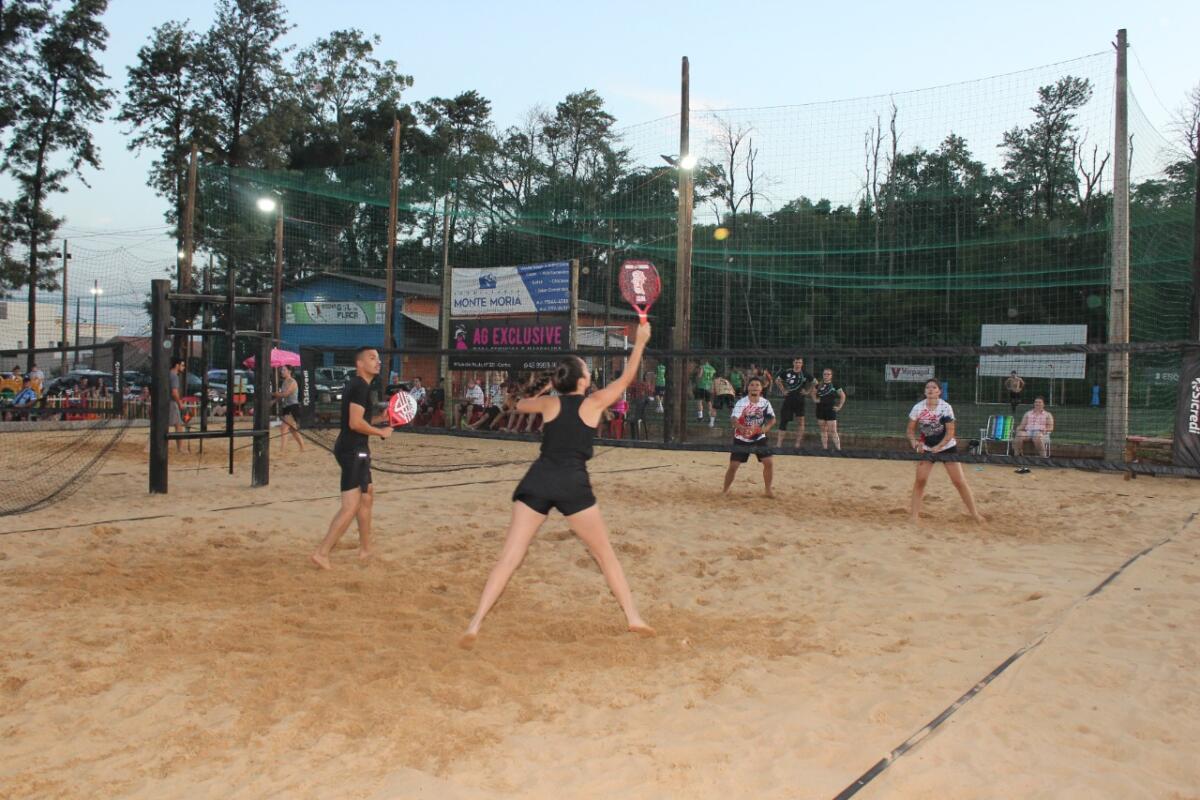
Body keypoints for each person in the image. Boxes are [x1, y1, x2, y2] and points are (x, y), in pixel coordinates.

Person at [460, 322, 655, 649]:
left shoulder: (549, 404)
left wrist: (544, 388)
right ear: (582, 381)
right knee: (605, 555)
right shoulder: (593, 402)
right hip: (572, 483)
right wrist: (641, 342)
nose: (588, 373)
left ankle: (475, 622)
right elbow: (626, 378)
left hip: (538, 478)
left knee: (510, 556)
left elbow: (517, 404)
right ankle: (633, 618)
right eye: (586, 370)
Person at [311, 346, 393, 569]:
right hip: (352, 451)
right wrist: (381, 432)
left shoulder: (359, 385)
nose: (378, 361)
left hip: (355, 448)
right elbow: (355, 424)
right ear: (359, 363)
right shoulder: (359, 387)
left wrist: (379, 420)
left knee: (367, 497)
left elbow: (358, 420)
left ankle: (365, 550)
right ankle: (322, 552)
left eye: (378, 358)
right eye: (372, 358)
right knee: (351, 505)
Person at [907, 378, 983, 524]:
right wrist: (915, 444)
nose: (930, 389)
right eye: (928, 387)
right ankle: (914, 516)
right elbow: (910, 431)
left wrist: (939, 447)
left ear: (939, 391)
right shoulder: (918, 407)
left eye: (934, 387)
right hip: (927, 448)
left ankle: (975, 515)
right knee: (920, 481)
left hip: (947, 447)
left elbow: (950, 432)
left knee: (959, 481)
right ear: (924, 391)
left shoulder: (946, 407)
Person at [723, 376, 775, 497]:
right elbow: (734, 419)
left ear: (761, 388)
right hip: (741, 438)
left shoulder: (765, 403)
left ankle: (768, 490)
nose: (754, 387)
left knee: (769, 462)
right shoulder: (742, 403)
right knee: (733, 466)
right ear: (748, 388)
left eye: (757, 385)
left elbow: (773, 419)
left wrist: (766, 428)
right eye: (752, 385)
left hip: (759, 437)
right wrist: (742, 428)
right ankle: (725, 490)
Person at [774, 357, 814, 448]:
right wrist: (783, 390)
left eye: (799, 362)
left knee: (801, 422)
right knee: (783, 421)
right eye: (796, 362)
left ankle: (797, 444)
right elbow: (777, 380)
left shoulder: (805, 373)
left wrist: (807, 391)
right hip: (788, 400)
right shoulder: (787, 372)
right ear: (793, 363)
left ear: (802, 364)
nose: (798, 364)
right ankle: (778, 444)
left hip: (800, 401)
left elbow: (815, 382)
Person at [272, 364, 304, 452]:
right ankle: (302, 447)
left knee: (284, 428)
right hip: (286, 407)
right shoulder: (284, 382)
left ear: (289, 371)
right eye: (281, 370)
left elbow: (286, 394)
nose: (281, 372)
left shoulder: (293, 382)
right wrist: (273, 401)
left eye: (284, 370)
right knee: (293, 430)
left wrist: (275, 394)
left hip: (293, 407)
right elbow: (282, 395)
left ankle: (282, 450)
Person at [814, 368, 846, 450]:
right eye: (825, 374)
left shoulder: (835, 385)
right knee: (823, 430)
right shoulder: (819, 385)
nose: (826, 376)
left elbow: (843, 396)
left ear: (831, 376)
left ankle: (838, 449)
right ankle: (825, 449)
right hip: (820, 410)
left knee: (833, 431)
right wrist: (815, 399)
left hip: (830, 410)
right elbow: (813, 392)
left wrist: (839, 406)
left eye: (828, 374)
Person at [168, 360, 187, 452]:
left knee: (163, 424)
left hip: (163, 402)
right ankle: (180, 448)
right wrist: (180, 403)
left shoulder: (167, 374)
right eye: (182, 365)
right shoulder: (174, 376)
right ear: (177, 365)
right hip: (171, 402)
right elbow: (174, 392)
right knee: (178, 425)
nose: (184, 367)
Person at [694, 359, 716, 424]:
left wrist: (696, 380)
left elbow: (699, 376)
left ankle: (700, 417)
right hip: (709, 387)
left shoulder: (702, 367)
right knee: (709, 402)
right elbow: (713, 378)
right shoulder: (712, 368)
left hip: (701, 386)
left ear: (704, 360)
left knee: (699, 401)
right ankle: (710, 417)